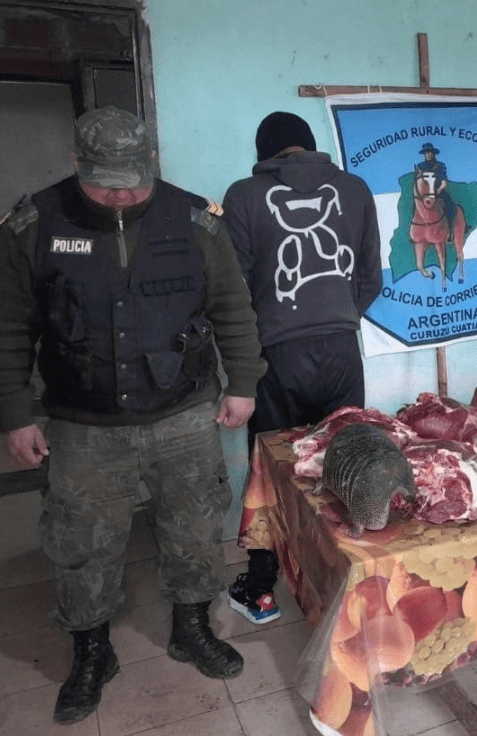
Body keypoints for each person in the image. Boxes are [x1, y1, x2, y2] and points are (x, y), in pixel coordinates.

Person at [0, 106, 267, 724]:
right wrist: (15, 413)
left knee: (194, 529)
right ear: (76, 163)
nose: (120, 193)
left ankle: (191, 628)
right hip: (82, 424)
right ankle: (92, 650)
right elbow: (8, 327)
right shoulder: (35, 225)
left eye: (132, 179)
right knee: (81, 543)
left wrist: (243, 382)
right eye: (103, 181)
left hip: (183, 415)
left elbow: (233, 307)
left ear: (151, 162)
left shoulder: (195, 220)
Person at [222, 111, 382, 625]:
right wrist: (337, 317)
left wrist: (273, 331)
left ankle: (261, 588)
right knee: (345, 461)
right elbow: (372, 278)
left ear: (265, 153)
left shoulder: (244, 195)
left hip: (276, 355)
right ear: (310, 147)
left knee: (272, 469)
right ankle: (349, 588)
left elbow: (232, 289)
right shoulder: (355, 189)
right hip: (341, 352)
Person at [416, 141, 457, 240]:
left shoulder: (440, 165)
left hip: (438, 192)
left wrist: (439, 189)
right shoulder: (420, 167)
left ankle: (450, 231)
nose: (428, 154)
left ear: (433, 153)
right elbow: (417, 182)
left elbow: (444, 182)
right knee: (413, 206)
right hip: (423, 194)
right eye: (426, 153)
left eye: (430, 152)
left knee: (450, 205)